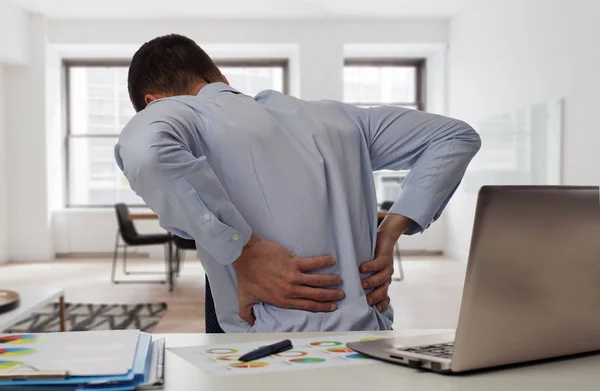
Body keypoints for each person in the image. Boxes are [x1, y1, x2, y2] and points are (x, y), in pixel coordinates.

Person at [115, 34, 481, 333]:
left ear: (152, 102)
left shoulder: (178, 113)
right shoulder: (338, 118)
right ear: (221, 79)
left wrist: (244, 250)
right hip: (369, 337)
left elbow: (147, 153)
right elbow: (455, 137)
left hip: (267, 349)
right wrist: (391, 232)